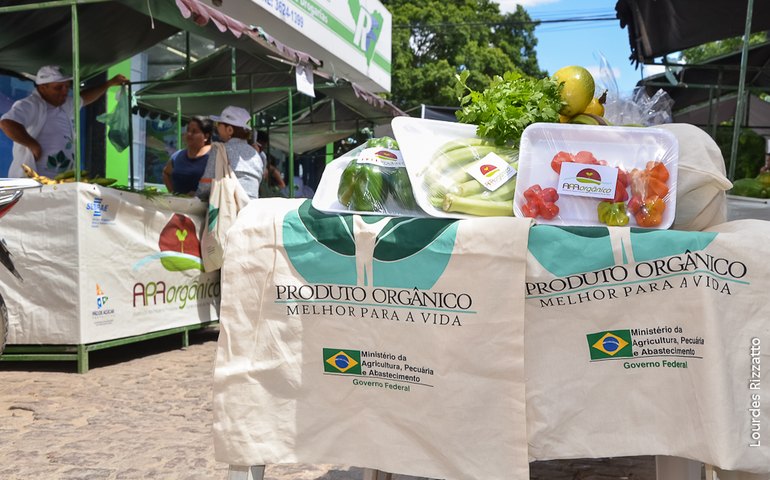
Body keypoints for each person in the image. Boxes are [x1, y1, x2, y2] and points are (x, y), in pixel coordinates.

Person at [0, 65, 128, 178]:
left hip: (61, 182)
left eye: (67, 86)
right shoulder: (31, 104)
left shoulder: (64, 105)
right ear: (43, 87)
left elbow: (84, 98)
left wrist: (109, 83)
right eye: (58, 87)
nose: (64, 91)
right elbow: (7, 123)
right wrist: (32, 144)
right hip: (34, 182)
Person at [197, 106, 263, 200]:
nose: (216, 127)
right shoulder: (256, 155)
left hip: (229, 206)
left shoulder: (220, 150)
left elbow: (206, 185)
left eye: (219, 124)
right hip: (252, 206)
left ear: (229, 130)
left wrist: (197, 196)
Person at [162, 117, 213, 195]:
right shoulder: (177, 156)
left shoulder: (214, 157)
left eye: (194, 131)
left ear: (206, 136)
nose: (189, 134)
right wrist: (173, 193)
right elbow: (166, 173)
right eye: (188, 130)